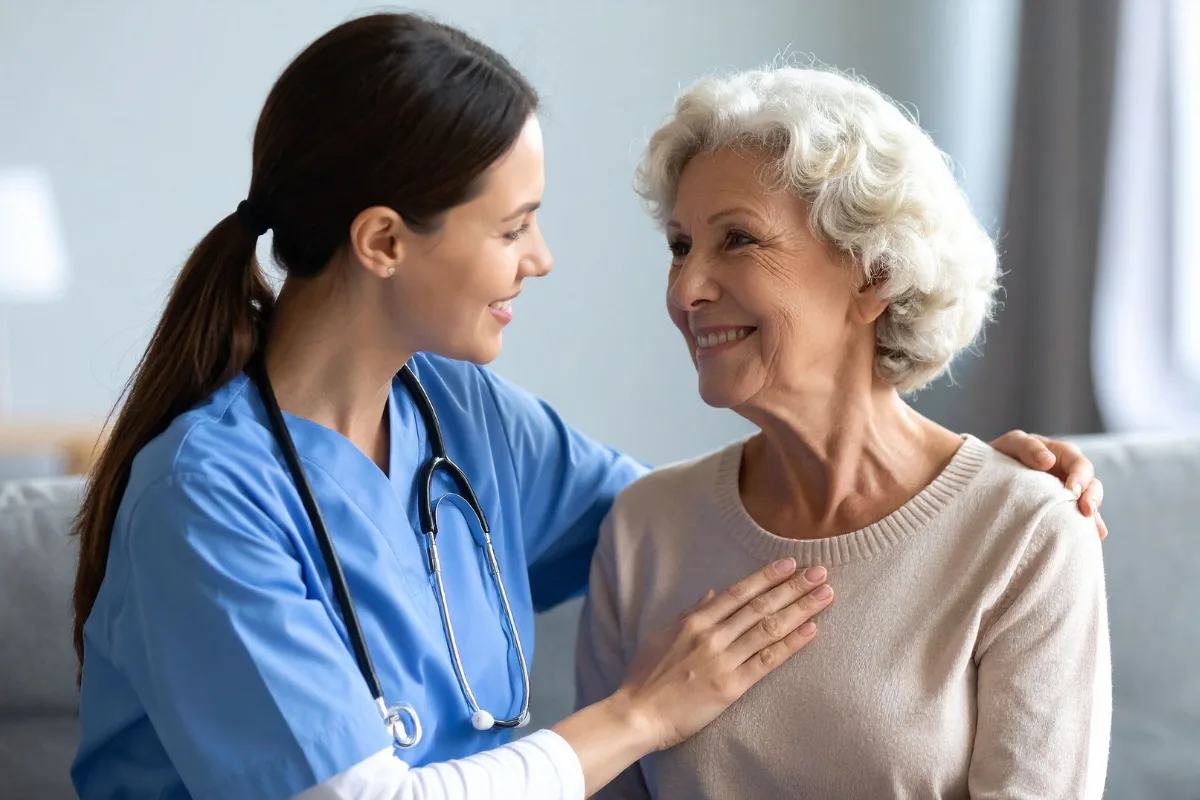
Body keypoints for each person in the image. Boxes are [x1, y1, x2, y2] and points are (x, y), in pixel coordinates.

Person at [68, 13, 1106, 800]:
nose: (543, 259)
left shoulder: (467, 420)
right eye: (514, 224)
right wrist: (641, 713)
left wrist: (964, 485)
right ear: (383, 242)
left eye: (733, 239)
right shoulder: (206, 501)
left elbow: (707, 518)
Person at [575, 66, 1112, 799]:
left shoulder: (1026, 533)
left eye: (736, 239)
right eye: (678, 246)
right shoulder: (644, 531)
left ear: (873, 275)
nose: (686, 289)